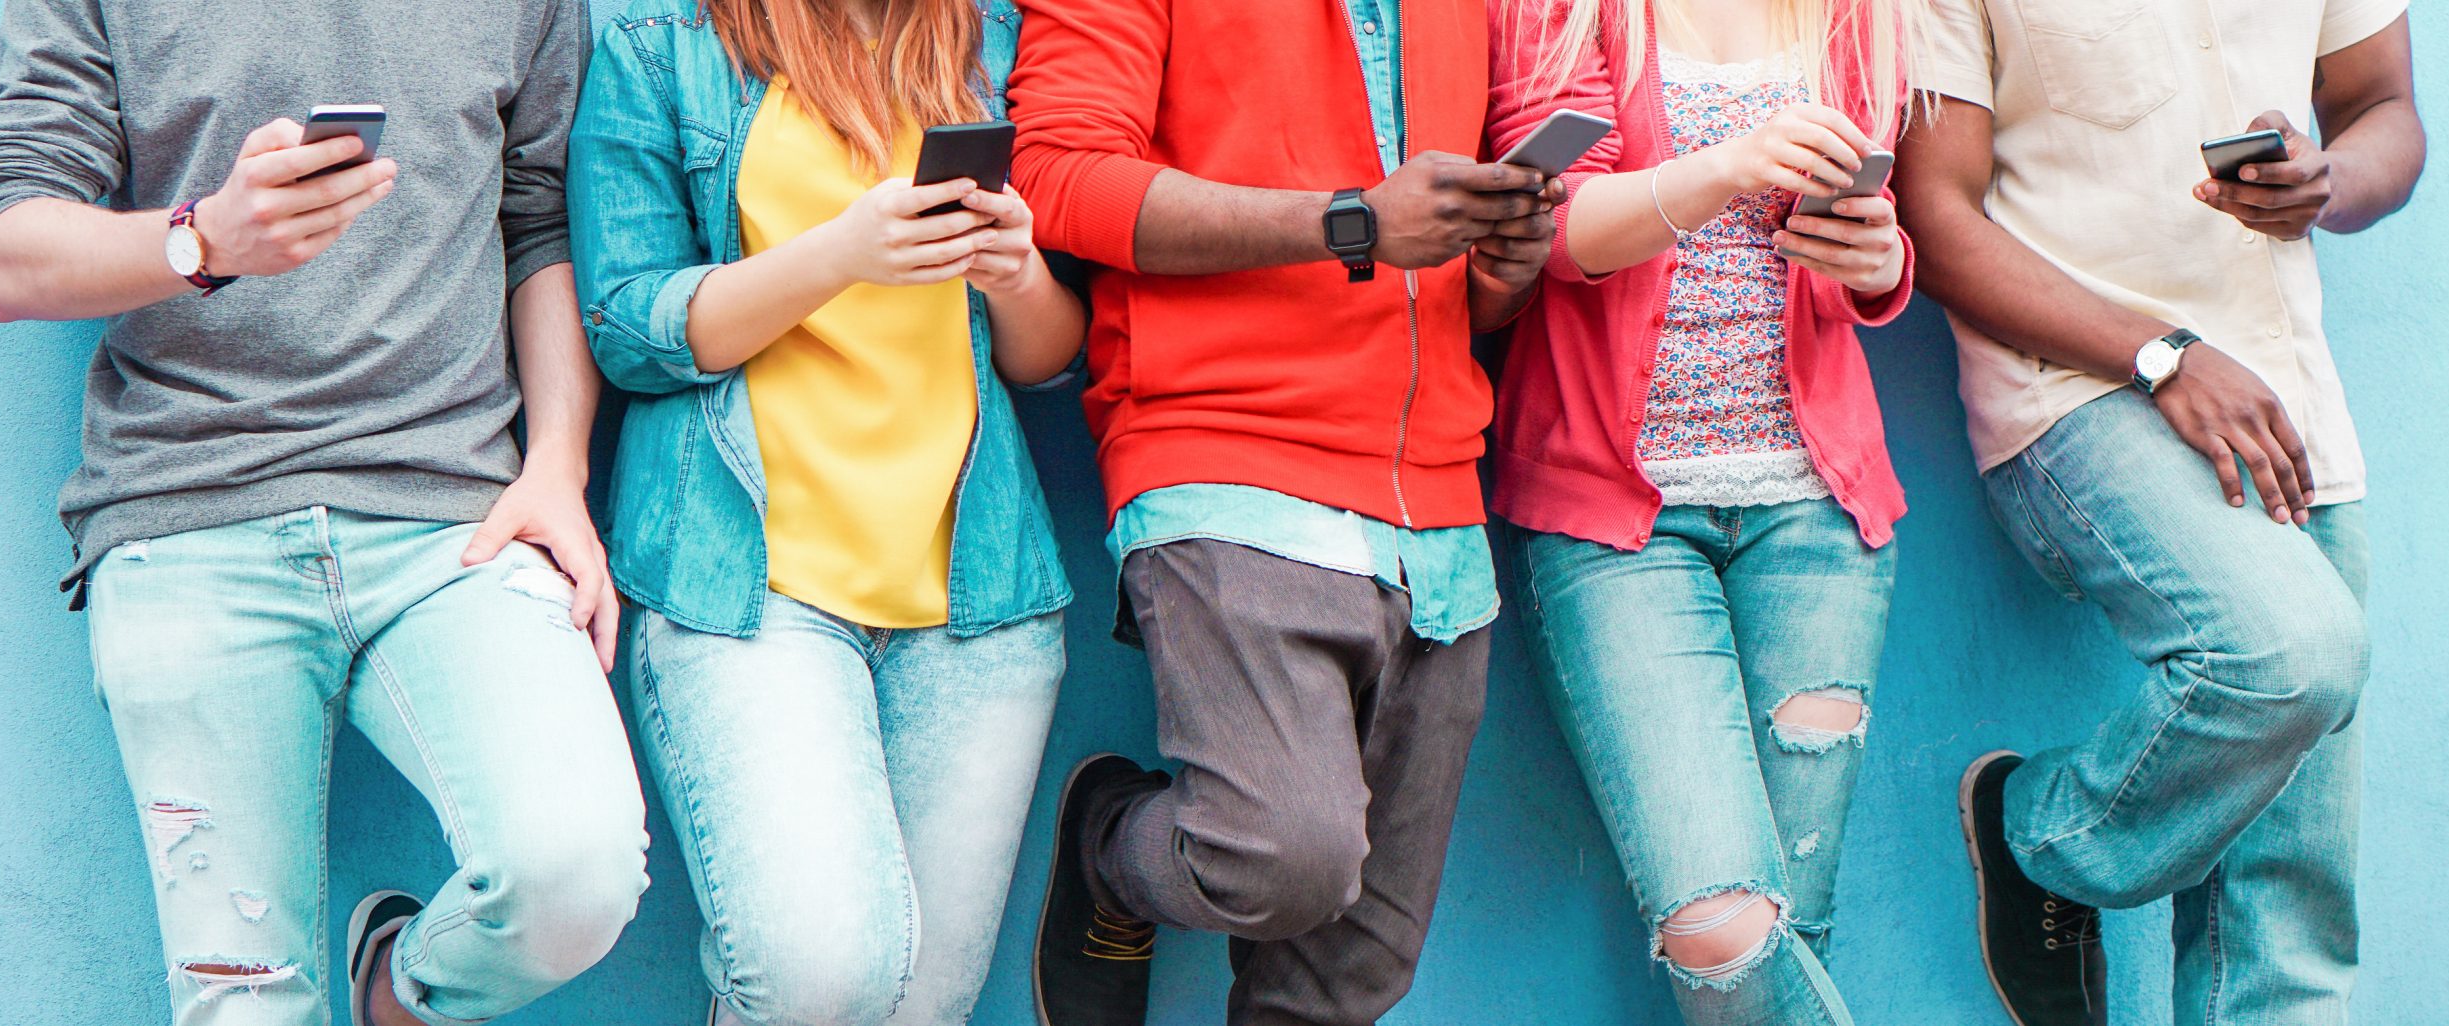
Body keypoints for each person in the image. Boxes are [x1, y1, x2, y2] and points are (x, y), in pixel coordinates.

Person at [0, 0, 651, 1024]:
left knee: (576, 875)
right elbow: (6, 257)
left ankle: (399, 994)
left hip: (454, 519)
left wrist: (557, 461)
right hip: (186, 514)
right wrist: (205, 240)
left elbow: (539, 221)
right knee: (244, 1005)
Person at [1004, 0, 1562, 1023]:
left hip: (1436, 507)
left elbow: (1442, 287)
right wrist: (1347, 222)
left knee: (1351, 978)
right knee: (1275, 858)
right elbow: (1055, 180)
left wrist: (1504, 271)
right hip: (1227, 463)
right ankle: (1111, 846)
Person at [1899, 0, 2423, 1021]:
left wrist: (2328, 178)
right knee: (2292, 654)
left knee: (2292, 918)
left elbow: (2383, 107)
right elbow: (1936, 217)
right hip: (2078, 390)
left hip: (2284, 399)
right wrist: (2161, 355)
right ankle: (2044, 841)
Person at [569, 0, 1083, 1023]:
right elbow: (626, 328)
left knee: (916, 1013)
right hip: (746, 587)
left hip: (978, 600)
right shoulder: (662, 44)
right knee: (815, 978)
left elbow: (1047, 360)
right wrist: (840, 253)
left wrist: (1018, 271)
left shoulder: (997, 40)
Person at [1483, 0, 1922, 1021]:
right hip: (1614, 520)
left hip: (1817, 511)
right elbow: (1558, 230)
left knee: (1795, 925)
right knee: (1719, 929)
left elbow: (1873, 244)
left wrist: (1879, 260)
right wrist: (1733, 162)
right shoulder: (1562, 13)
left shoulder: (1853, 15)